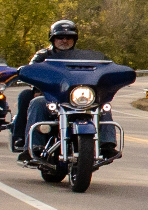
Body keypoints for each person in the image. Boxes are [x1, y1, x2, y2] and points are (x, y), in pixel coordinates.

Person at [14, 20, 91, 160]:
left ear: (75, 39)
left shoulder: (84, 57)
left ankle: (106, 143)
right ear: (53, 38)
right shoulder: (43, 56)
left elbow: (95, 73)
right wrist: (37, 87)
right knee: (35, 100)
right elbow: (32, 70)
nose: (64, 40)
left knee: (104, 106)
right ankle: (33, 146)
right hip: (51, 97)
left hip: (77, 99)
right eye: (60, 37)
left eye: (69, 37)